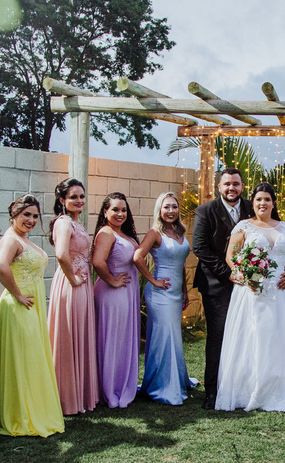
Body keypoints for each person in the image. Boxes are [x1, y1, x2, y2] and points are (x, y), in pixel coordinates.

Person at [216, 182, 285, 412]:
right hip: (252, 292)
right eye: (258, 199)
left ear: (274, 203)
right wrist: (244, 274)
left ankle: (282, 386)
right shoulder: (244, 226)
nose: (263, 203)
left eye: (267, 199)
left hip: (282, 291)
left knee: (282, 338)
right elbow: (231, 256)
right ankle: (250, 387)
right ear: (253, 203)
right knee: (254, 338)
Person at [0, 195, 65, 437]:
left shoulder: (23, 239)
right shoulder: (11, 239)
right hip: (19, 306)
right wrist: (18, 294)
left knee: (31, 356)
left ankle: (33, 408)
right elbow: (0, 266)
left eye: (35, 216)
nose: (31, 220)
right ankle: (20, 414)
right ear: (14, 214)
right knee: (23, 358)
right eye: (26, 215)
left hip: (30, 305)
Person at [192, 168, 254, 409]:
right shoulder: (205, 211)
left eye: (236, 184)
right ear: (219, 187)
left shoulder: (253, 207)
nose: (232, 188)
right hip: (216, 285)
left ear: (242, 186)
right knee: (218, 336)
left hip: (249, 284)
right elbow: (200, 247)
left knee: (247, 335)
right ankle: (212, 391)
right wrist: (229, 273)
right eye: (227, 184)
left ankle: (244, 388)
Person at [134, 191, 195, 405]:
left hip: (176, 293)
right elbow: (137, 257)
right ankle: (164, 386)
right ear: (159, 210)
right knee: (166, 337)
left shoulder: (179, 232)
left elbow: (181, 265)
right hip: (160, 294)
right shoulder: (155, 233)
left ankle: (174, 379)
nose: (171, 211)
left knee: (173, 336)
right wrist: (153, 280)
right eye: (166, 207)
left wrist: (185, 290)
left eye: (174, 207)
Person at [48, 178, 98, 415]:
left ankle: (80, 394)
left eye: (82, 196)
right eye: (73, 197)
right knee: (69, 335)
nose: (79, 201)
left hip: (82, 283)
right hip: (71, 284)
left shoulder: (76, 223)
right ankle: (66, 397)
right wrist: (73, 278)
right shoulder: (64, 222)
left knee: (80, 332)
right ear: (62, 200)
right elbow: (61, 254)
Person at [92, 192, 141, 408]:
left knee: (121, 341)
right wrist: (112, 281)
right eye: (115, 210)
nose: (120, 214)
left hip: (126, 293)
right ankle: (109, 389)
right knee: (113, 341)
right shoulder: (106, 233)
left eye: (123, 210)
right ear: (105, 212)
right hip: (113, 294)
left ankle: (120, 384)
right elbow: (97, 261)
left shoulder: (123, 234)